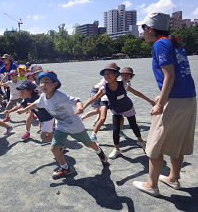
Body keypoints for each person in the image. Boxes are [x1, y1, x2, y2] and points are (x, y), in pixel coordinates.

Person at [133, 12, 196, 197]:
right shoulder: (174, 42)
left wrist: (160, 103)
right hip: (189, 98)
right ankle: (173, 178)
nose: (142, 31)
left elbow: (170, 75)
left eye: (143, 28)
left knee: (154, 144)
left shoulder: (160, 43)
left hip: (173, 100)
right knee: (177, 142)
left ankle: (151, 184)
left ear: (151, 30)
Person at [17, 71, 109, 179]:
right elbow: (36, 104)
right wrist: (24, 110)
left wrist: (79, 107)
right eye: (41, 82)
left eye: (47, 82)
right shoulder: (42, 97)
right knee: (54, 148)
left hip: (75, 126)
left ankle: (99, 151)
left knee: (88, 143)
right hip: (61, 126)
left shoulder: (60, 96)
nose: (43, 85)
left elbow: (77, 100)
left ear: (54, 84)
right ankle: (65, 168)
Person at [83, 63, 155, 159]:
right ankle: (116, 149)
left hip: (128, 107)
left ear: (116, 74)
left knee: (134, 126)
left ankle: (140, 141)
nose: (106, 76)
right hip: (116, 109)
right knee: (116, 129)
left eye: (109, 73)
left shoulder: (124, 84)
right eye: (105, 74)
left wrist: (149, 100)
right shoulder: (104, 88)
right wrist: (83, 107)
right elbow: (94, 97)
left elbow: (136, 93)